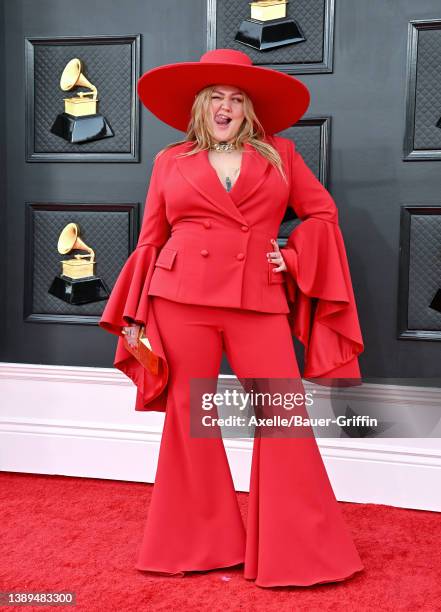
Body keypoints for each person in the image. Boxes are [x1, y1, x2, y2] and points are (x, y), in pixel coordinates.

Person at [99, 49, 365, 588]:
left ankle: (300, 553)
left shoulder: (282, 155)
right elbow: (152, 238)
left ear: (249, 110)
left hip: (258, 296)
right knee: (190, 422)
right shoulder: (170, 161)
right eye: (216, 97)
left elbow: (322, 215)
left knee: (282, 416)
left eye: (237, 99)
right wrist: (135, 315)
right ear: (201, 107)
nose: (226, 107)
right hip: (178, 299)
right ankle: (202, 547)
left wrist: (289, 258)